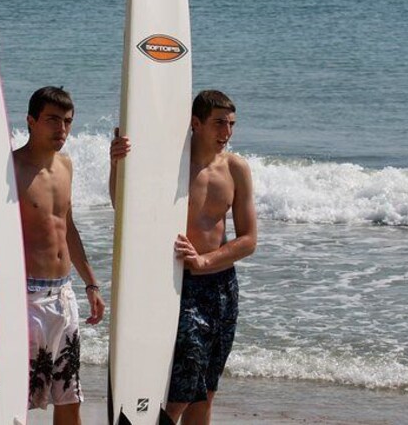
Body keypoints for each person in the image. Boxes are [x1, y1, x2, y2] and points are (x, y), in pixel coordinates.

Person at [110, 90, 258, 425]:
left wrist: (207, 261)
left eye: (232, 124)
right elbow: (124, 207)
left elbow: (249, 240)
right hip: (178, 287)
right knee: (178, 392)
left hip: (221, 290)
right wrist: (116, 164)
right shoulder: (170, 166)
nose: (227, 132)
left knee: (205, 391)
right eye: (219, 123)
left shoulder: (236, 169)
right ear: (196, 123)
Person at [13, 86, 105, 424]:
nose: (62, 129)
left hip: (63, 296)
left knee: (70, 398)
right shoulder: (11, 169)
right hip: (26, 298)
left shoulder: (66, 165)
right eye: (53, 120)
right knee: (16, 397)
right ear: (31, 121)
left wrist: (91, 284)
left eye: (67, 121)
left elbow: (67, 226)